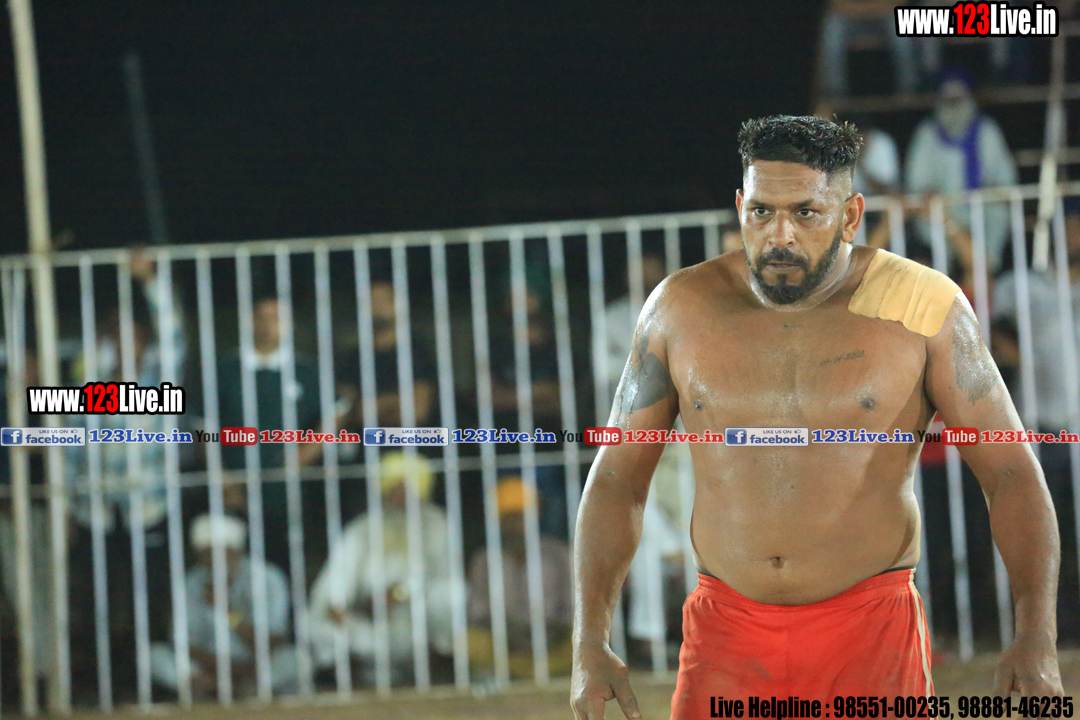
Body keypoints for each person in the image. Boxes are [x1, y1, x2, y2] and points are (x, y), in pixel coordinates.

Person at [571, 116, 1062, 718]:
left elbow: (1010, 471)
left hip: (870, 633)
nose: (779, 235)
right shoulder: (679, 309)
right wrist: (588, 641)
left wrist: (1036, 633)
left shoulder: (923, 305)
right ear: (740, 207)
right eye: (761, 212)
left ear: (851, 215)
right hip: (724, 637)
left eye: (806, 213)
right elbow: (617, 477)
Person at [307, 451, 453, 684]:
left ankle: (440, 666)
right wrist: (339, 607)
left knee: (451, 594)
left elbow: (441, 573)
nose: (400, 497)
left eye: (407, 489)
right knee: (313, 621)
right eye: (394, 488)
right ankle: (351, 676)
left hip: (416, 620)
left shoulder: (435, 524)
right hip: (367, 621)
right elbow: (336, 580)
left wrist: (397, 594)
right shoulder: (361, 530)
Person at [216, 294, 322, 574]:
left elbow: (335, 414)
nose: (267, 325)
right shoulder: (225, 369)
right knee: (234, 569)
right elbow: (204, 427)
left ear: (289, 325)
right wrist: (223, 479)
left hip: (286, 494)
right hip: (235, 491)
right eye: (260, 317)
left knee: (287, 566)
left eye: (276, 318)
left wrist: (304, 454)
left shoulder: (306, 370)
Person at [149, 514, 298, 698]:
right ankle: (211, 686)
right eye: (206, 553)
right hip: (207, 666)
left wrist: (226, 611)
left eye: (221, 552)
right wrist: (220, 671)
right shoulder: (192, 582)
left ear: (237, 551)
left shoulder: (268, 578)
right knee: (153, 656)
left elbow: (272, 642)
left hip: (256, 665)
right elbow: (184, 645)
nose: (213, 559)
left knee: (295, 659)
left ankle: (241, 688)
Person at [905, 69, 1018, 275]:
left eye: (958, 99)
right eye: (947, 99)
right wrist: (932, 198)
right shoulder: (927, 133)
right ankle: (943, 272)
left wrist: (990, 193)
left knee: (997, 213)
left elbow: (1005, 180)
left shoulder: (987, 130)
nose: (953, 104)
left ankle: (985, 271)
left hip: (982, 210)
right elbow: (917, 183)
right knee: (930, 217)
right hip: (943, 211)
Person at [466, 477, 573, 679]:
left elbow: (574, 608)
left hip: (553, 642)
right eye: (508, 518)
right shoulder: (484, 560)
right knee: (471, 642)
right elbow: (478, 612)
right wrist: (511, 633)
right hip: (505, 645)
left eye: (521, 517)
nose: (515, 525)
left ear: (535, 517)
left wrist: (549, 634)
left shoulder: (558, 554)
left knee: (581, 639)